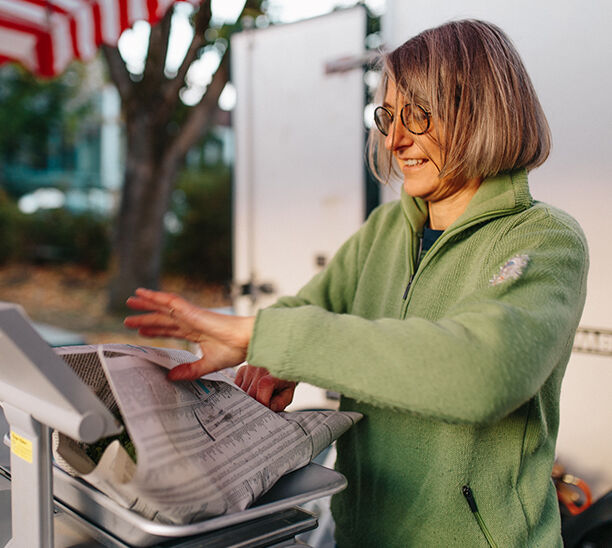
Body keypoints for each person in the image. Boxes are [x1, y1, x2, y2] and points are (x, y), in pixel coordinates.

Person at [124, 19, 589, 547]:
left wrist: (267, 337)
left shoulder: (544, 239)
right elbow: (306, 309)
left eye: (417, 114)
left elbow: (484, 372)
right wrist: (267, 359)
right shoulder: (386, 229)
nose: (394, 139)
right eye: (387, 116)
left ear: (480, 110)